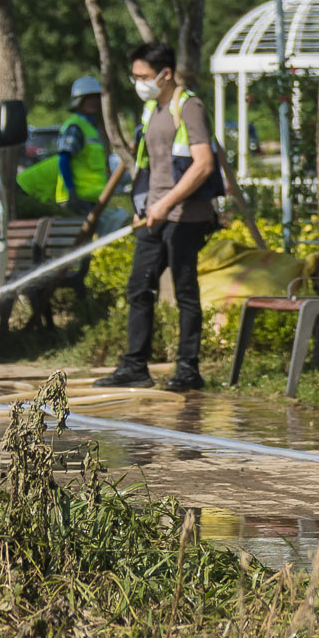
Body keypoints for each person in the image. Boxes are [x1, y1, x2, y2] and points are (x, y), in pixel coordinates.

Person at [99, 43, 221, 392]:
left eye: (144, 77)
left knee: (185, 290)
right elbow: (148, 163)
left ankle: (188, 369)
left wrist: (167, 202)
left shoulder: (190, 107)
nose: (138, 83)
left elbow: (203, 165)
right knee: (140, 287)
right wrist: (147, 203)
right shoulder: (152, 108)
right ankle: (135, 365)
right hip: (153, 213)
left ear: (165, 74)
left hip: (185, 215)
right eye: (135, 76)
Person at [17, 76, 117, 217]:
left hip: (94, 198)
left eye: (96, 97)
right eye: (89, 98)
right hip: (79, 198)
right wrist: (71, 191)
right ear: (79, 101)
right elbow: (64, 160)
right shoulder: (75, 127)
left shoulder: (92, 128)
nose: (94, 101)